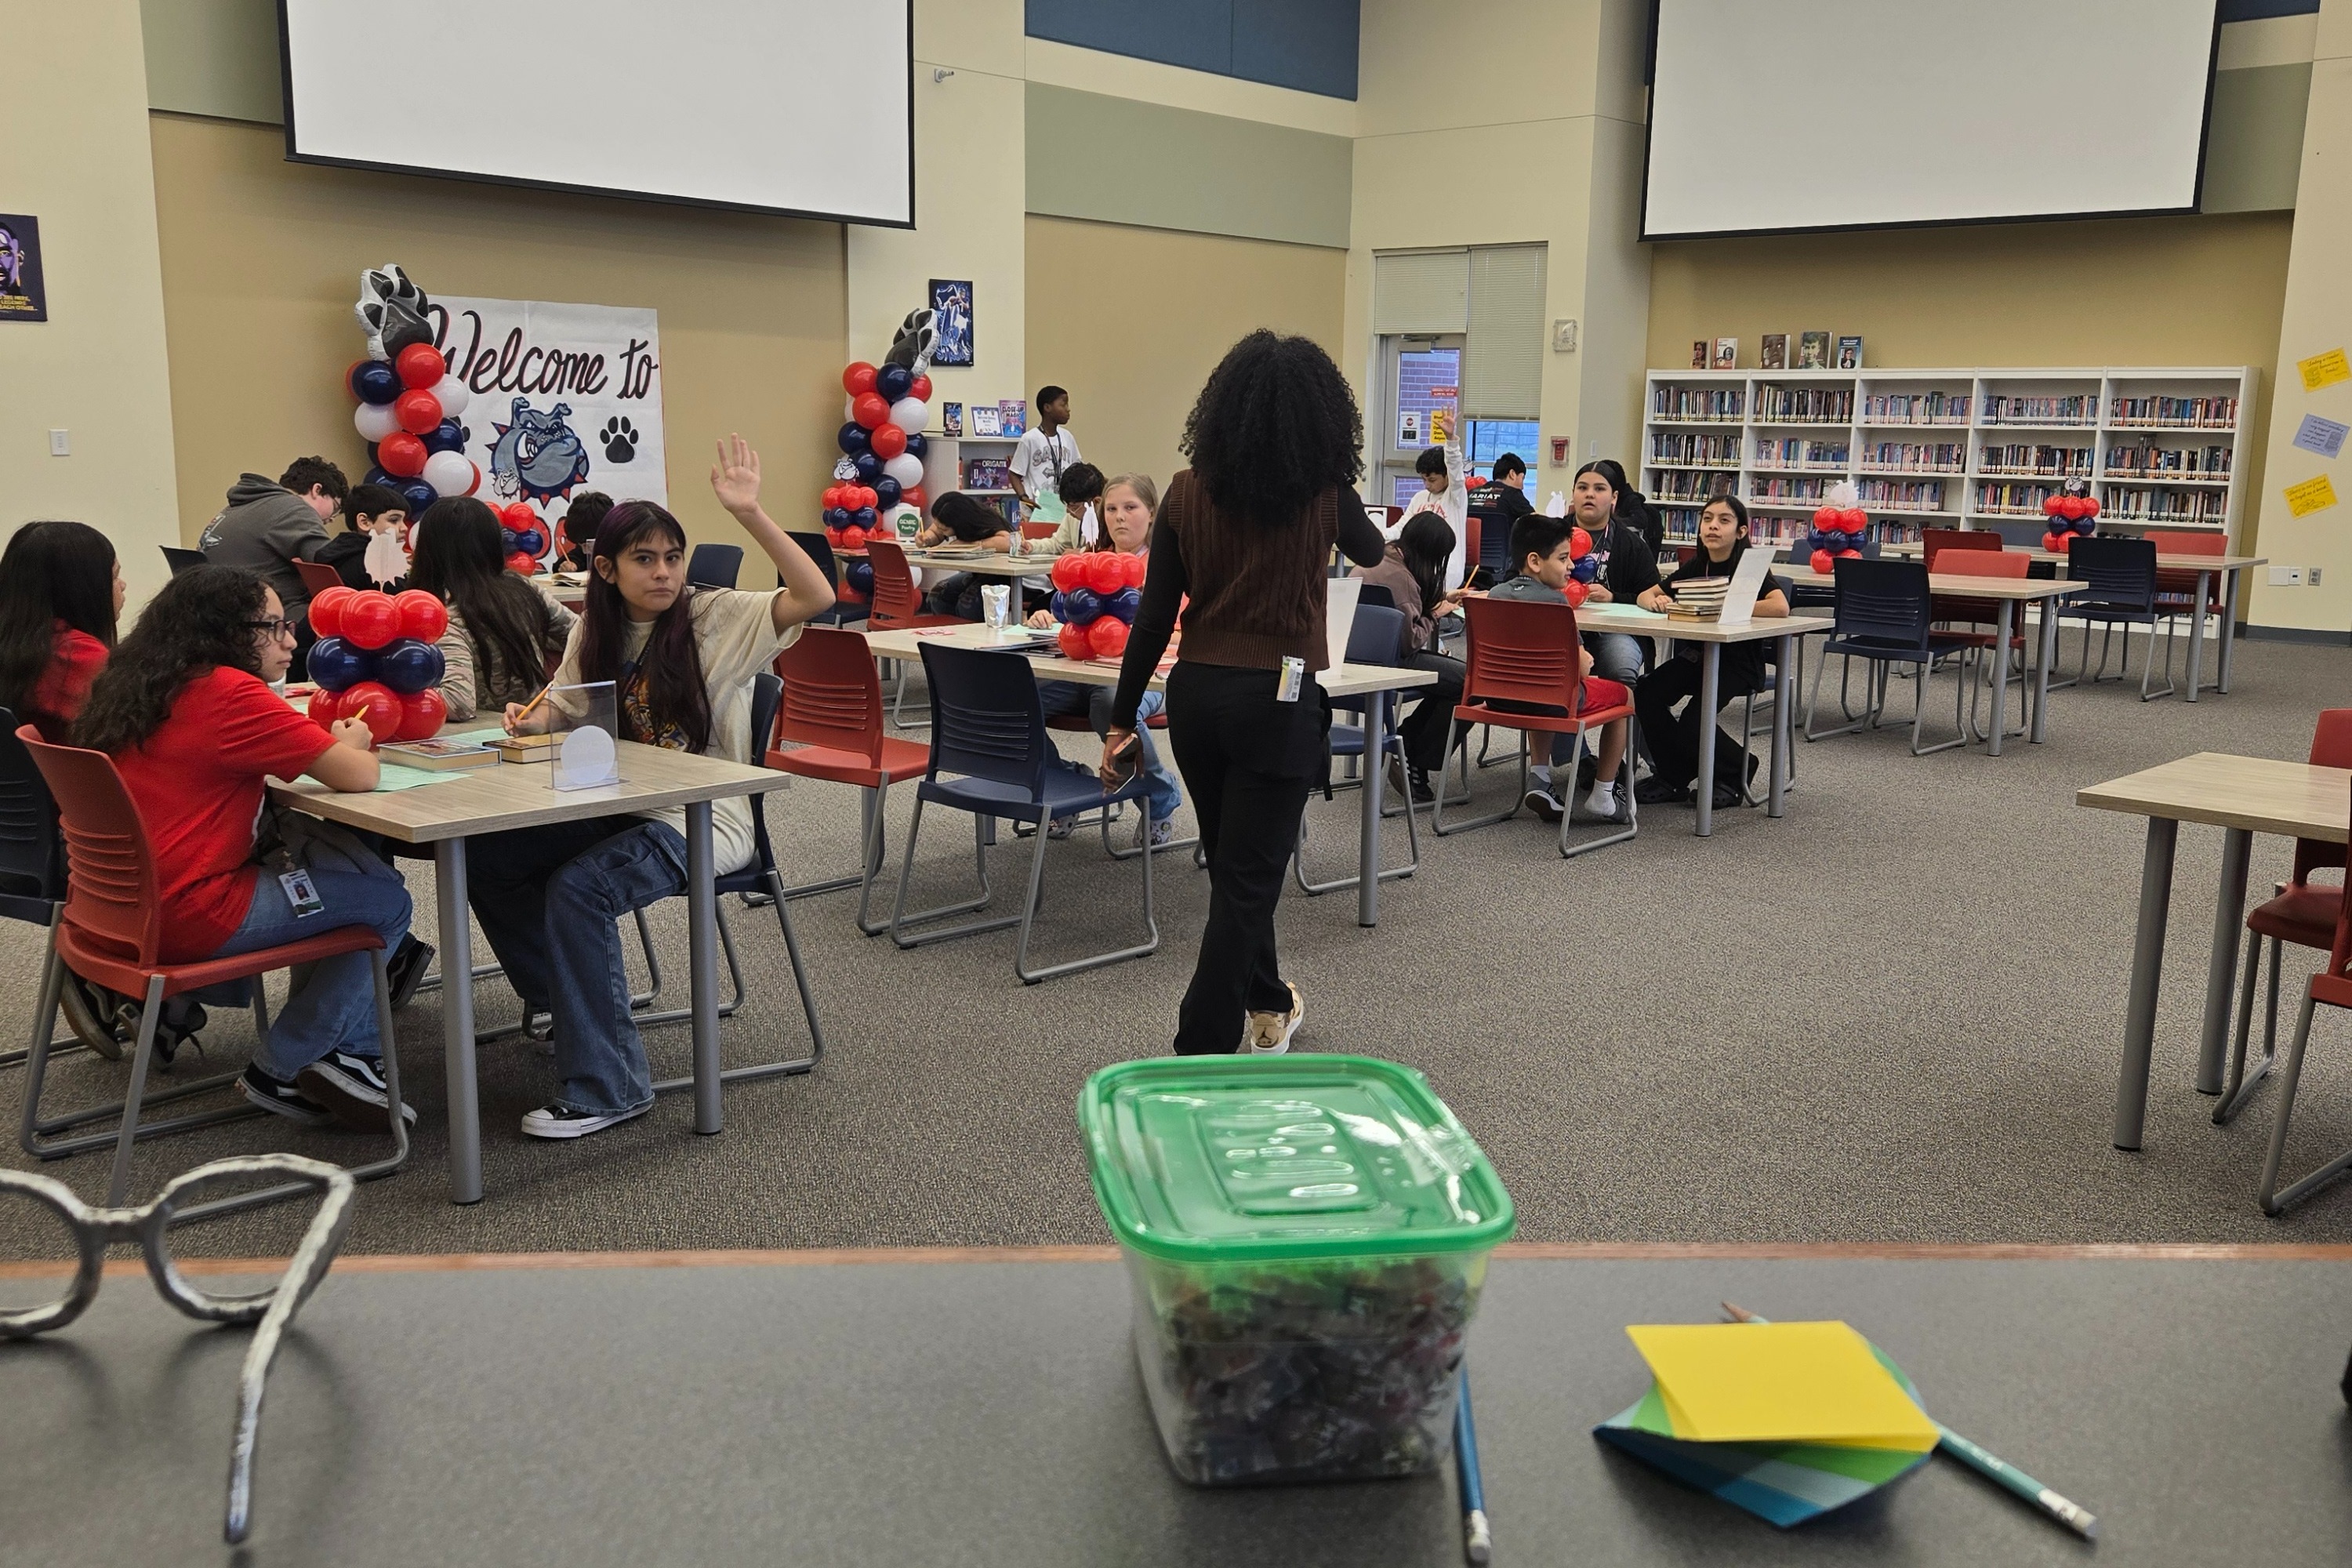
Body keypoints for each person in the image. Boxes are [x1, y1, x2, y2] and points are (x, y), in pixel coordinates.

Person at [471, 436, 833, 1140]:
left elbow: (817, 594)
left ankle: (611, 1087)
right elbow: (568, 704)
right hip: (624, 806)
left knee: (580, 888)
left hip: (706, 820)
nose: (664, 572)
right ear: (605, 569)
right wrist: (529, 717)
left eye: (672, 557)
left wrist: (752, 514)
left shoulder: (711, 617)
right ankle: (567, 1004)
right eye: (645, 559)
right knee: (491, 859)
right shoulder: (595, 628)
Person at [1105, 331, 1385, 1057]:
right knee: (1246, 882)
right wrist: (1332, 477)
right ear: (1324, 419)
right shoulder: (1325, 495)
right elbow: (1374, 552)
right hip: (1279, 704)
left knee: (1239, 866)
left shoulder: (1184, 491)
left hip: (1196, 698)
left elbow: (1154, 616)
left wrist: (1119, 718)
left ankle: (1268, 1001)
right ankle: (1196, 1049)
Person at [69, 565, 416, 1129]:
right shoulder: (230, 694)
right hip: (193, 913)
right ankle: (289, 1063)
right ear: (225, 632)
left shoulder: (135, 681)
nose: (291, 640)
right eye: (273, 627)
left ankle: (350, 1054)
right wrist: (352, 740)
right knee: (386, 904)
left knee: (343, 876)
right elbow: (356, 776)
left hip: (110, 911)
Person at [1027, 473, 1183, 845]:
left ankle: (1160, 797)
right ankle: (1066, 783)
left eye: (1130, 508)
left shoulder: (1169, 564)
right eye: (1111, 509)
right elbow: (1075, 620)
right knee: (1016, 701)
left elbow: (1180, 631)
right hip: (1083, 670)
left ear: (1151, 514)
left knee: (1113, 705)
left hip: (1151, 677)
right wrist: (1046, 617)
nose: (1119, 517)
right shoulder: (1094, 564)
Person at [1634, 494, 1789, 811]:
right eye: (1707, 519)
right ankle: (1673, 774)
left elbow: (1780, 606)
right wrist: (1654, 601)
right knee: (1646, 693)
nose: (1713, 527)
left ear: (1741, 532)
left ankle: (1737, 770)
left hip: (1738, 662)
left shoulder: (1748, 567)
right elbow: (1646, 594)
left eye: (1723, 520)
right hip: (1698, 658)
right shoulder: (1697, 564)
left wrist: (1725, 607)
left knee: (1695, 718)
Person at [1483, 513, 1633, 826]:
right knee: (1625, 697)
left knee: (1541, 688)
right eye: (1564, 558)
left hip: (1498, 699)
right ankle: (1605, 792)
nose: (1571, 566)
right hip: (1550, 701)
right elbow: (1579, 668)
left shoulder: (1493, 596)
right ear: (1535, 561)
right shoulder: (1555, 603)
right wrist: (1588, 661)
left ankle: (1540, 778)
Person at [408, 495, 576, 721]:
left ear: (427, 549)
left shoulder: (446, 616)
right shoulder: (521, 587)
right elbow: (580, 633)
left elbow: (458, 702)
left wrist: (402, 692)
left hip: (484, 735)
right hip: (534, 725)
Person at [1352, 511, 1468, 803]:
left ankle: (1405, 744)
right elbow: (1410, 642)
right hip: (1392, 661)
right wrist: (1434, 613)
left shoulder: (1378, 559)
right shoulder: (1402, 578)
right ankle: (1412, 754)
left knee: (1456, 681)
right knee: (1471, 683)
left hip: (1354, 657)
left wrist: (1438, 599)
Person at [198, 456, 349, 640]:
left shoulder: (235, 509)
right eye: (335, 508)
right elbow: (327, 561)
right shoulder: (295, 508)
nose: (331, 519)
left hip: (222, 619)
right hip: (270, 623)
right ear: (317, 490)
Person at [0, 519, 122, 742]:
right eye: (114, 576)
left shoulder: (16, 642)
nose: (122, 585)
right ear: (82, 589)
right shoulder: (82, 656)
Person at [1565, 460, 1661, 688]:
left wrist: (1613, 596)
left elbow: (1653, 593)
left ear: (1614, 498)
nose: (1590, 495)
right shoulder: (1550, 536)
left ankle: (1619, 724)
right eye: (1582, 488)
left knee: (1621, 668)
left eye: (1599, 489)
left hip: (1613, 631)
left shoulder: (1631, 544)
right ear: (1573, 494)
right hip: (1559, 628)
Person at [914, 492, 1014, 619]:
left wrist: (970, 544)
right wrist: (927, 539)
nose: (940, 531)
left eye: (944, 529)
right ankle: (950, 630)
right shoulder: (949, 522)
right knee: (937, 595)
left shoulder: (985, 522)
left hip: (1006, 577)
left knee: (968, 604)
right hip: (978, 573)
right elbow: (936, 532)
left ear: (959, 524)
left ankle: (974, 634)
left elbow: (1008, 542)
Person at [314, 483, 410, 592]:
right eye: (394, 520)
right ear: (364, 522)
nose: (404, 528)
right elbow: (407, 603)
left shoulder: (336, 552)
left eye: (404, 521)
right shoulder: (378, 562)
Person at [1009, 384, 1080, 515]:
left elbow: (1079, 470)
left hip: (1063, 509)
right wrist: (1024, 498)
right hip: (1037, 510)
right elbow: (1014, 473)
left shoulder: (1067, 437)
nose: (1068, 410)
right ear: (1047, 407)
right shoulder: (1029, 439)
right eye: (1063, 405)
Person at [1043, 463, 1109, 550]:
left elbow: (1106, 551)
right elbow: (1059, 544)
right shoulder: (1075, 514)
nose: (1068, 511)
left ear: (1096, 502)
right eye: (1068, 505)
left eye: (1074, 507)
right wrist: (1032, 546)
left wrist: (1081, 554)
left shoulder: (1111, 518)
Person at [553, 492, 614, 572]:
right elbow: (578, 556)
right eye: (580, 544)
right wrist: (571, 565)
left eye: (587, 545)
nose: (585, 551)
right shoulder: (584, 544)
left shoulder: (625, 549)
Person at [1470, 452, 1535, 522]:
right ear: (1512, 474)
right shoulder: (1513, 494)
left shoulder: (1470, 493)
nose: (1522, 487)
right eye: (1522, 478)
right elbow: (1539, 522)